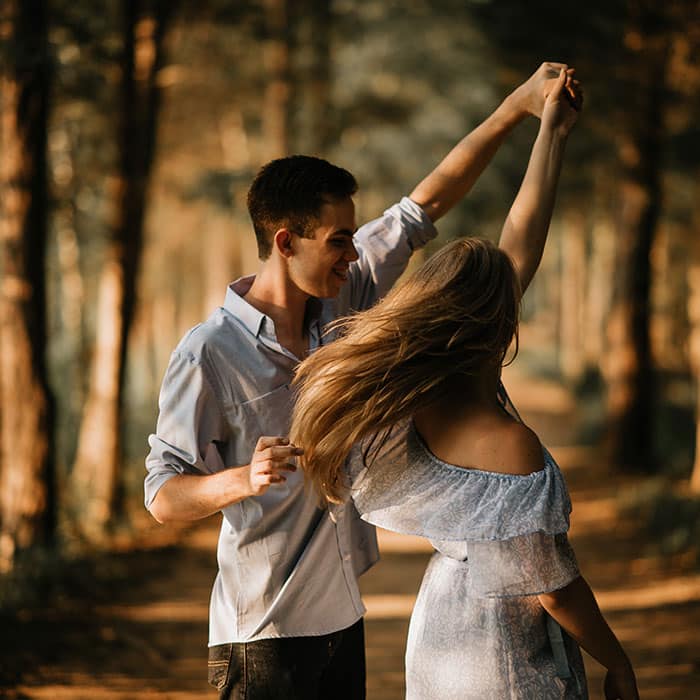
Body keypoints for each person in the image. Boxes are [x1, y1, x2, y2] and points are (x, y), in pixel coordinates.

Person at [144, 63, 579, 699]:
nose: (355, 256)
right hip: (263, 636)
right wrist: (244, 479)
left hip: (344, 619)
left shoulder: (346, 299)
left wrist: (517, 111)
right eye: (340, 241)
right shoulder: (209, 353)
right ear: (286, 241)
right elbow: (161, 497)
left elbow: (424, 204)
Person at [290, 74, 639, 700]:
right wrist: (617, 660)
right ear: (499, 320)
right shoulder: (510, 446)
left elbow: (519, 243)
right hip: (500, 653)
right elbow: (551, 586)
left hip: (439, 631)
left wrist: (550, 135)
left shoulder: (402, 411)